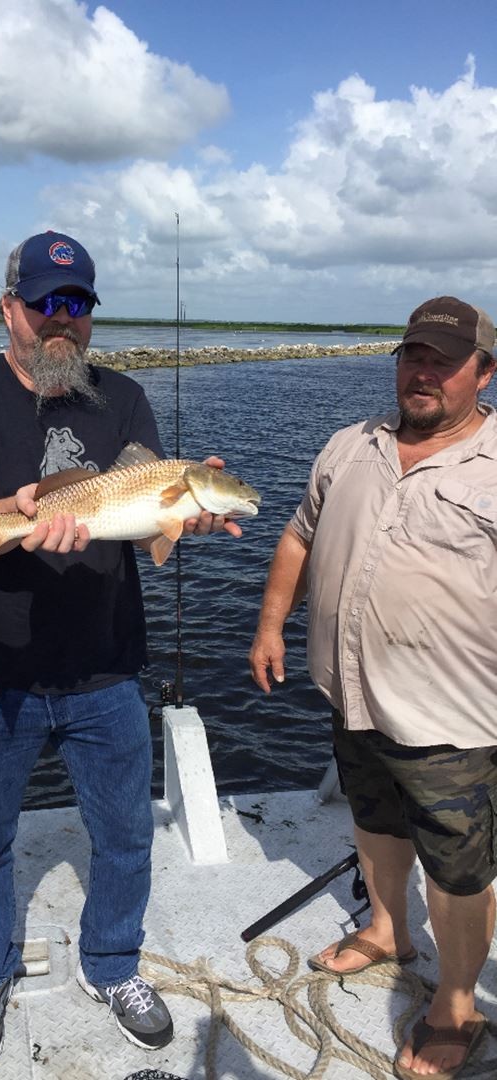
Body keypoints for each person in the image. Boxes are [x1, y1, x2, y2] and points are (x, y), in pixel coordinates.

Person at [0, 230, 241, 1070]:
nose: (62, 320)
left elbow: (151, 525)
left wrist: (185, 517)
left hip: (104, 665)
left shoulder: (123, 398)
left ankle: (114, 964)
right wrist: (18, 515)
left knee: (125, 834)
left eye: (77, 304)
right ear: (7, 308)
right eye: (44, 303)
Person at [249, 296, 497, 1080]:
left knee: (458, 872)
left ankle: (455, 1004)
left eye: (443, 361)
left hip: (452, 719)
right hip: (349, 694)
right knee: (375, 824)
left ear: (483, 373)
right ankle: (388, 929)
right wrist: (269, 623)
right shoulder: (348, 445)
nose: (422, 373)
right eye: (411, 355)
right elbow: (299, 535)